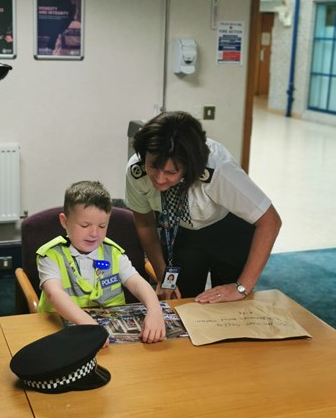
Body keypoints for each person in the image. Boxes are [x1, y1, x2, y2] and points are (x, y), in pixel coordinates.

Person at [125, 111, 282, 303]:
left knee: (230, 303)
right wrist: (163, 276)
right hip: (180, 231)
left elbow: (271, 221)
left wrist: (241, 287)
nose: (159, 179)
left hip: (228, 227)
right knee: (182, 300)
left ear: (189, 166)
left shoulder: (218, 169)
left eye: (170, 172)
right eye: (153, 167)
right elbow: (145, 224)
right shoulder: (137, 170)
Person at [37, 180, 166, 345]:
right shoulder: (50, 255)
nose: (94, 233)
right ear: (64, 221)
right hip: (62, 331)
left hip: (111, 332)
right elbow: (54, 294)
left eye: (102, 226)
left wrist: (155, 311)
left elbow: (137, 283)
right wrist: (90, 325)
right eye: (85, 225)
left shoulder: (112, 253)